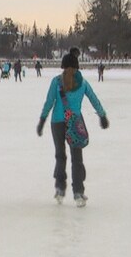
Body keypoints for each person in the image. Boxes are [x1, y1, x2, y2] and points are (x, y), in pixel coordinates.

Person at [37, 52, 108, 207]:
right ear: (77, 66)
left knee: (60, 156)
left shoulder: (56, 82)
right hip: (75, 123)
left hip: (57, 123)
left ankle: (60, 188)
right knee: (77, 158)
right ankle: (78, 192)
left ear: (63, 66)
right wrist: (102, 115)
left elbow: (49, 102)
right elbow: (94, 99)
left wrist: (42, 120)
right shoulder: (82, 83)